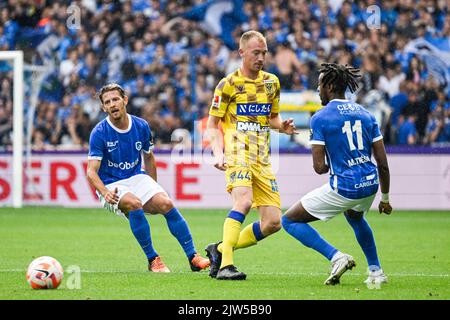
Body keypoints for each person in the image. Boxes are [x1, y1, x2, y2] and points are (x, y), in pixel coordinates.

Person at [281, 63, 392, 286]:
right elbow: (382, 163)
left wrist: (335, 162)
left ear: (330, 86)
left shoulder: (320, 118)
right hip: (370, 184)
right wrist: (385, 199)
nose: (318, 89)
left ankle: (336, 257)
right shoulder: (367, 114)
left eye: (320, 85)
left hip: (346, 187)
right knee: (355, 217)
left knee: (289, 220)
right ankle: (376, 271)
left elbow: (319, 167)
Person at [86, 83, 210, 273]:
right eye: (107, 102)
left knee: (166, 203)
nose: (112, 104)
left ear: (125, 100)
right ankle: (153, 260)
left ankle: (193, 256)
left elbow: (149, 157)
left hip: (137, 177)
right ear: (103, 107)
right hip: (112, 184)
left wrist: (153, 187)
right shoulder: (99, 133)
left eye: (115, 99)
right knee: (134, 204)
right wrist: (105, 192)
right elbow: (91, 172)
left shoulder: (141, 126)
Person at [205, 30, 298, 280]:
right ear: (242, 53)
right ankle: (225, 266)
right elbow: (213, 125)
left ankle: (220, 249)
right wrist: (217, 153)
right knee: (243, 202)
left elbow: (272, 117)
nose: (261, 57)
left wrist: (282, 126)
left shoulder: (271, 83)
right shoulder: (228, 84)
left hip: (263, 159)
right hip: (237, 154)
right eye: (256, 52)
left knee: (273, 223)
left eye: (264, 53)